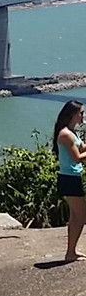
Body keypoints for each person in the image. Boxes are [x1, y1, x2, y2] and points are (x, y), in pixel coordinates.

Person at [54, 100, 86, 262]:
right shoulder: (65, 134)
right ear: (73, 114)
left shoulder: (72, 132)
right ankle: (70, 253)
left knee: (76, 217)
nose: (83, 116)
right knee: (80, 216)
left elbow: (82, 148)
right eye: (81, 113)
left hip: (73, 177)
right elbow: (77, 157)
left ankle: (71, 252)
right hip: (69, 178)